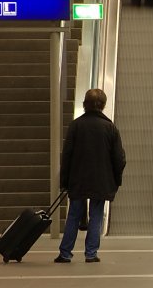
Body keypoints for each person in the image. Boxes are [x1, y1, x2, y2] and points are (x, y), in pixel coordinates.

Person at [54, 89, 126, 263]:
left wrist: (64, 181)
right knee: (96, 214)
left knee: (74, 214)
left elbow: (67, 155)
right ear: (103, 105)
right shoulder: (110, 128)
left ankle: (65, 253)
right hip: (101, 180)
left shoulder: (76, 126)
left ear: (84, 104)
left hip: (77, 179)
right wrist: (116, 179)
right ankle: (91, 253)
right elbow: (119, 158)